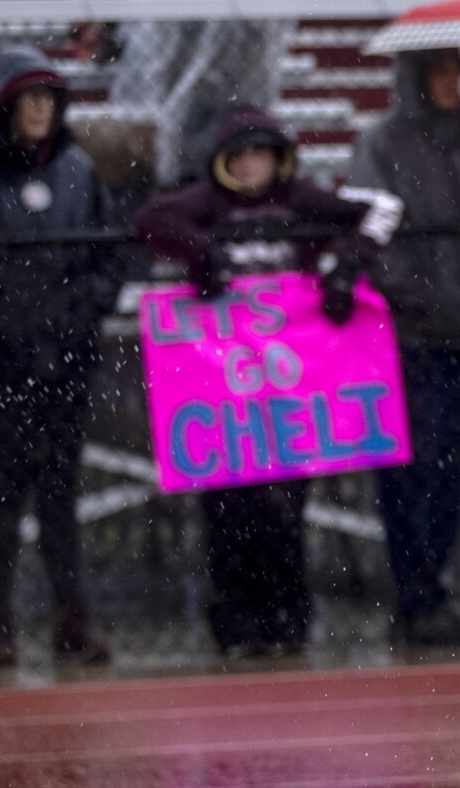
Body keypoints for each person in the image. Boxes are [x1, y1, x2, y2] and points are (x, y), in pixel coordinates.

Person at [135, 104, 400, 658]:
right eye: (241, 153)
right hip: (223, 396)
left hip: (290, 396)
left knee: (285, 508)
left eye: (262, 151)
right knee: (228, 510)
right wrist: (203, 251)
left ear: (279, 157)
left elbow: (383, 208)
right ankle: (236, 620)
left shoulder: (299, 199)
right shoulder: (208, 203)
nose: (251, 163)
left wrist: (348, 265)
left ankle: (288, 615)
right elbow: (152, 220)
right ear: (223, 161)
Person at [0, 45, 119, 669]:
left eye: (48, 97)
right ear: (3, 106)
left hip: (66, 357)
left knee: (59, 491)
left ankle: (71, 617)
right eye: (28, 98)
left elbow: (110, 256)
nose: (39, 108)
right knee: (5, 491)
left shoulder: (80, 171)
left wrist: (85, 310)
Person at [348, 48, 460, 649]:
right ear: (416, 79)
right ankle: (417, 597)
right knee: (412, 472)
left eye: (457, 72)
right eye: (440, 72)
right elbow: (371, 224)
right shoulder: (382, 143)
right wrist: (410, 293)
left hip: (459, 328)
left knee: (450, 471)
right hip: (408, 331)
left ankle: (431, 593)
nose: (452, 84)